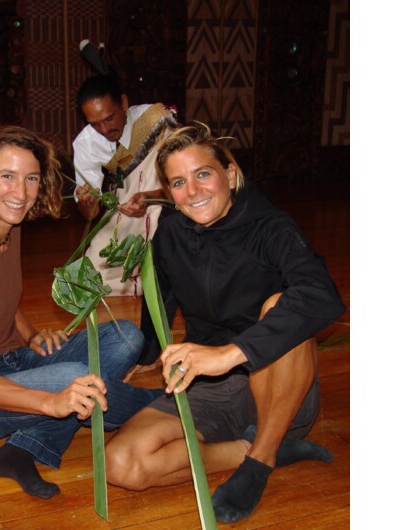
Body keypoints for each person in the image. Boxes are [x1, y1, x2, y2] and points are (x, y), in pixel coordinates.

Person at [104, 122, 346, 522]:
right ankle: (249, 451)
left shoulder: (271, 227)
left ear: (229, 176)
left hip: (277, 389)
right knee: (122, 465)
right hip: (209, 385)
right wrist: (147, 353)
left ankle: (262, 457)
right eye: (178, 182)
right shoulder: (169, 233)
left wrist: (230, 354)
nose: (193, 191)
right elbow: (159, 297)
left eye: (203, 174)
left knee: (282, 304)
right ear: (168, 193)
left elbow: (322, 294)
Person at [0, 125, 162, 500]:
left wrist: (31, 334)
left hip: (12, 361)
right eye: (7, 176)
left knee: (127, 336)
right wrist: (52, 402)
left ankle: (22, 448)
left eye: (30, 178)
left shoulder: (6, 227)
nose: (20, 193)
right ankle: (166, 405)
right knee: (77, 378)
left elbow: (1, 300)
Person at [72, 74, 178, 296]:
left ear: (124, 103)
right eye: (94, 123)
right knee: (91, 275)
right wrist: (88, 200)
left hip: (167, 203)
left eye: (109, 118)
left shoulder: (155, 121)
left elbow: (183, 183)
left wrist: (149, 196)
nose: (103, 129)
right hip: (126, 207)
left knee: (161, 257)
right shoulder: (86, 144)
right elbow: (90, 214)